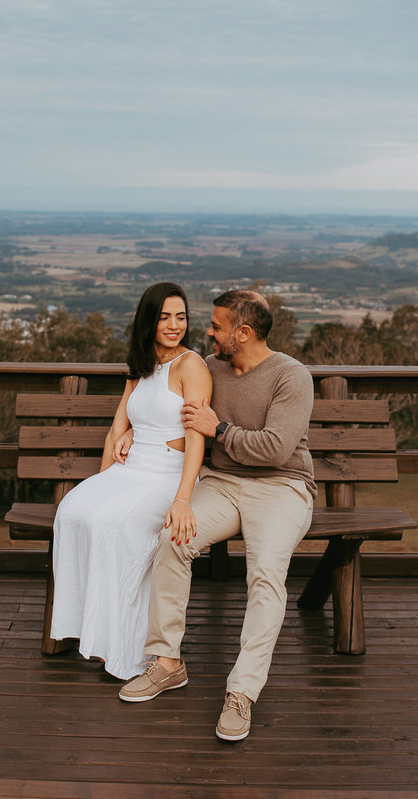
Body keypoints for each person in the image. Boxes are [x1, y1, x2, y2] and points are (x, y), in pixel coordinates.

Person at [116, 289, 316, 742]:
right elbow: (159, 397)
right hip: (222, 485)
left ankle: (242, 691)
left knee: (265, 574)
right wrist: (131, 434)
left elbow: (274, 450)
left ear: (243, 333)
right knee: (172, 539)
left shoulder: (291, 376)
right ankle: (167, 662)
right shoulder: (210, 367)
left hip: (281, 488)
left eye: (216, 326)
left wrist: (220, 429)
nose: (207, 331)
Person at [47, 282, 211, 680]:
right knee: (71, 512)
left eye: (181, 316)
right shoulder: (140, 366)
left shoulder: (191, 366)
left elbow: (196, 437)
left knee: (111, 525)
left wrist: (184, 497)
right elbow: (115, 430)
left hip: (168, 472)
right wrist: (103, 483)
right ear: (148, 320)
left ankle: (127, 647)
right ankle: (90, 630)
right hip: (130, 469)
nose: (174, 325)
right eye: (164, 317)